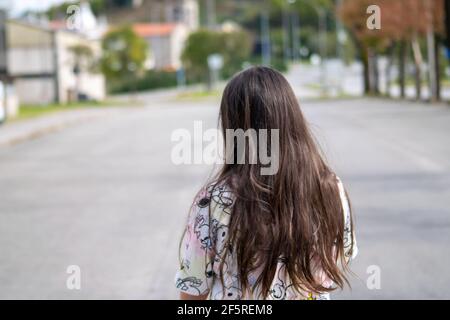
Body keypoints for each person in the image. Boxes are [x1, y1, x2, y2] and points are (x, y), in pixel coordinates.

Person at [175, 66, 357, 300]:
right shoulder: (330, 189)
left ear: (232, 128)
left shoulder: (212, 200)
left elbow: (193, 290)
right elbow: (340, 256)